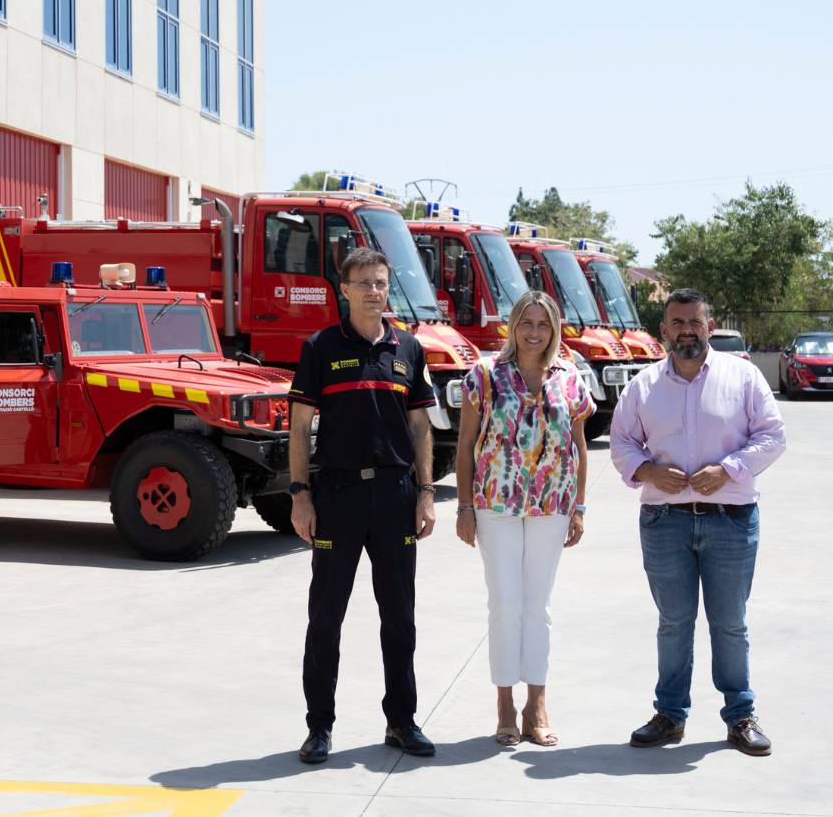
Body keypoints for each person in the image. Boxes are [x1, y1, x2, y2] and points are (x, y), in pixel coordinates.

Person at [610, 288, 785, 757]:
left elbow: (773, 437)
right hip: (664, 522)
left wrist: (727, 469)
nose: (687, 329)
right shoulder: (643, 386)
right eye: (677, 322)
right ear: (664, 330)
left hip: (730, 521)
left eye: (695, 321)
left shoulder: (744, 377)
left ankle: (740, 716)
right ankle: (669, 715)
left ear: (709, 327)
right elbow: (621, 442)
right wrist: (646, 470)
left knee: (730, 624)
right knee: (673, 622)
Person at [287, 247, 439, 764]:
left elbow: (420, 426)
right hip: (338, 496)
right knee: (326, 616)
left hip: (396, 497)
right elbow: (301, 426)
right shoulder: (320, 348)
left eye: (381, 282)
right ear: (344, 290)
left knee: (400, 616)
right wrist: (300, 494)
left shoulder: (409, 349)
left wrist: (426, 493)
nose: (375, 291)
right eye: (364, 283)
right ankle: (319, 728)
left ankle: (401, 721)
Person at [454, 290, 594, 747]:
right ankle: (504, 705)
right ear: (512, 326)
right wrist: (465, 507)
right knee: (505, 605)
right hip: (496, 505)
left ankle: (537, 704)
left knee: (538, 608)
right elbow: (465, 447)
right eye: (526, 323)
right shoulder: (485, 376)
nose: (534, 332)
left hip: (552, 507)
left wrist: (578, 507)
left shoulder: (570, 379)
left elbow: (578, 447)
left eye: (543, 324)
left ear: (554, 329)